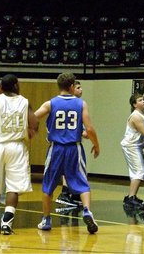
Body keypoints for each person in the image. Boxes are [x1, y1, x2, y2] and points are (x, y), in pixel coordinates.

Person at [34, 72, 100, 234]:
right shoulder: (81, 104)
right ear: (71, 86)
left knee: (48, 185)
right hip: (74, 148)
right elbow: (89, 129)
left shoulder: (50, 104)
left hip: (56, 148)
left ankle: (46, 220)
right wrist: (96, 145)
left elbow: (33, 117)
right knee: (82, 182)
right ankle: (86, 211)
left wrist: (32, 130)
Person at [0, 74, 39, 235]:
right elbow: (34, 124)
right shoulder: (24, 102)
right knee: (13, 187)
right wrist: (31, 130)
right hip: (16, 146)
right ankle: (7, 222)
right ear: (15, 85)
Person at [55, 80, 86, 207]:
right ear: (71, 88)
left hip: (63, 142)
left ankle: (73, 193)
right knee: (71, 169)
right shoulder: (77, 105)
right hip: (68, 143)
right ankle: (65, 193)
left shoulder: (64, 104)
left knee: (70, 169)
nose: (81, 90)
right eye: (78, 87)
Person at [121, 93, 144, 209]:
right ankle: (131, 198)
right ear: (134, 104)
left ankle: (131, 196)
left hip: (136, 146)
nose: (143, 101)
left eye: (143, 99)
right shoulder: (135, 116)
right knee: (139, 171)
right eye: (140, 100)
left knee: (138, 171)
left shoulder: (142, 115)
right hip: (131, 146)